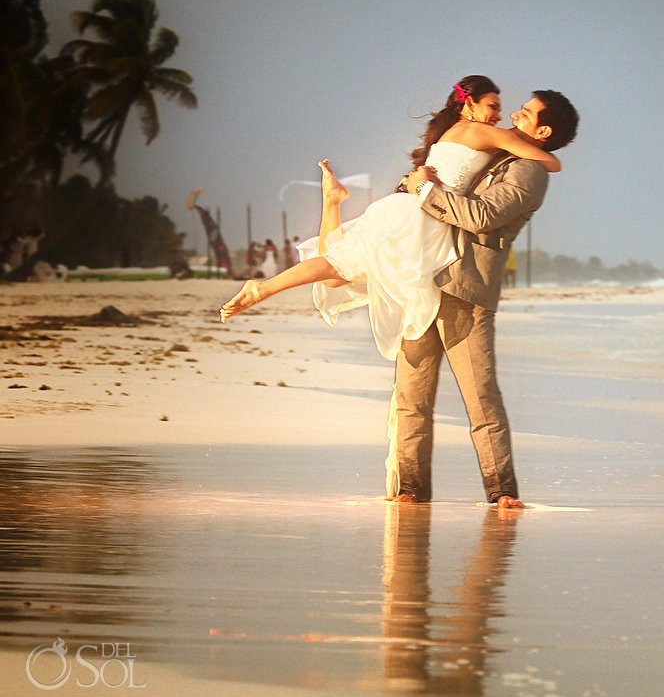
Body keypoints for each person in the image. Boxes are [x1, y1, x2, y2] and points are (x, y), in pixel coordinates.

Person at [219, 75, 560, 356]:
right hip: (418, 215)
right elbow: (551, 162)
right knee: (338, 269)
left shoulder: (456, 129)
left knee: (337, 274)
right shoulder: (483, 132)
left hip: (410, 207)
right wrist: (531, 136)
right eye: (493, 106)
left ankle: (332, 202)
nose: (501, 114)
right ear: (469, 104)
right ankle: (261, 288)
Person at [387, 87, 578, 508]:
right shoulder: (495, 149)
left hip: (466, 292)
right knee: (410, 397)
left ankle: (503, 493)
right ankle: (409, 490)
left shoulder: (531, 171)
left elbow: (482, 217)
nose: (513, 114)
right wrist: (411, 185)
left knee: (481, 399)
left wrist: (424, 192)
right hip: (422, 280)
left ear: (543, 130)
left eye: (526, 114)